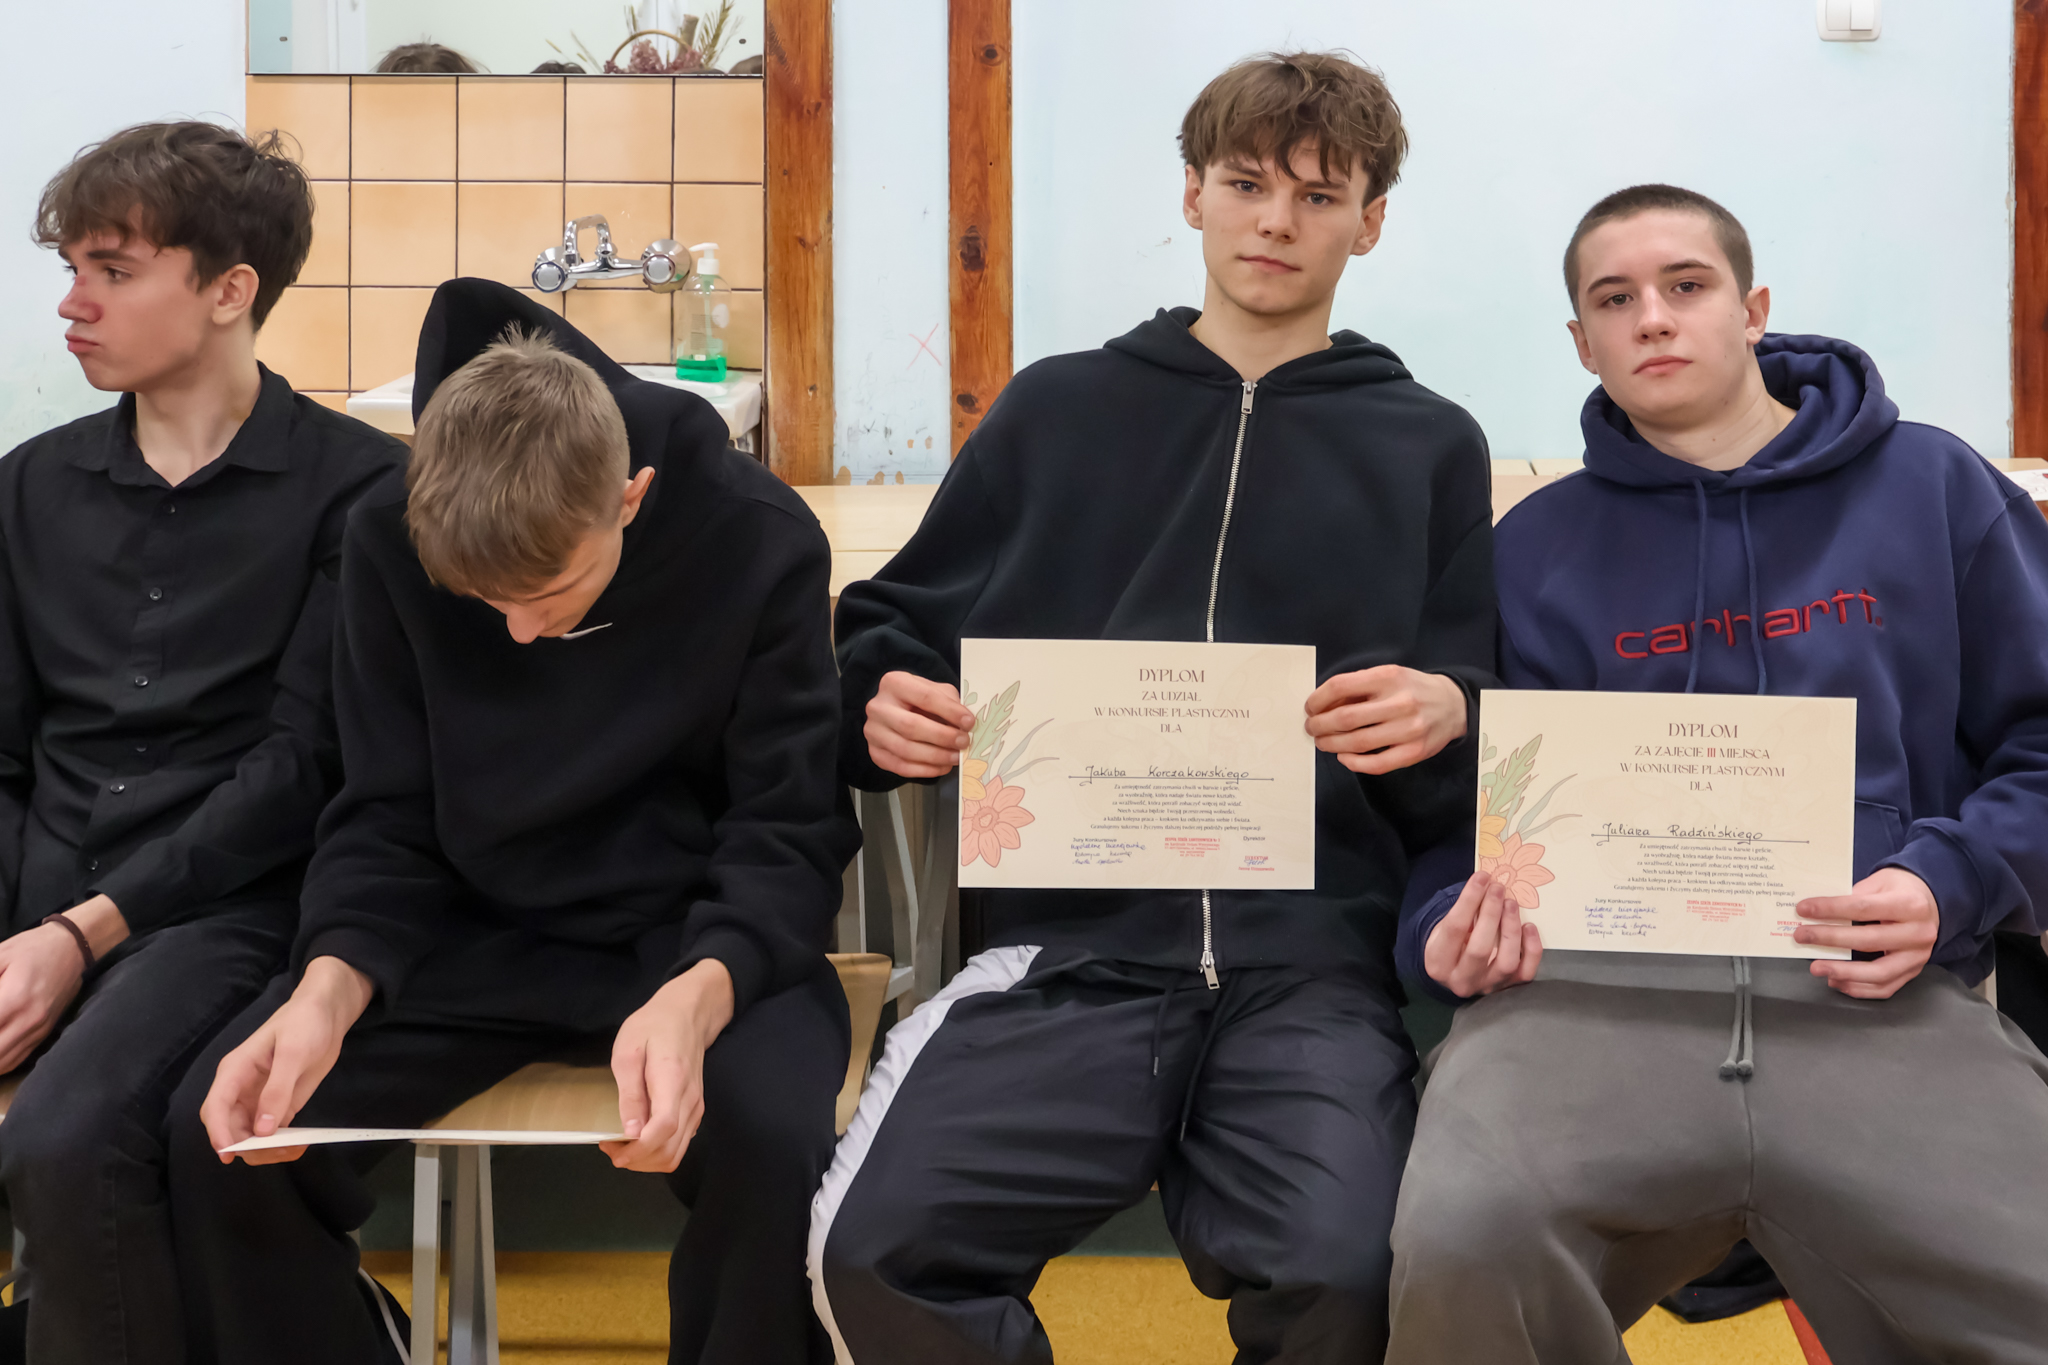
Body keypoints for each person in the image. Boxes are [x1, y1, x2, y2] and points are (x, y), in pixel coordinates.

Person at [813, 52, 1496, 1364]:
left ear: (1369, 221)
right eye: (1245, 185)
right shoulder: (1055, 410)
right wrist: (878, 703)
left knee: (1352, 1276)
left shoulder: (1428, 443)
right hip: (1062, 952)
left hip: (1305, 964)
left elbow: (1482, 704)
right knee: (875, 1251)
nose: (1275, 222)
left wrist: (1451, 710)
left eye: (1318, 195)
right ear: (1192, 196)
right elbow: (892, 624)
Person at [1386, 184, 2048, 1363]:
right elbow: (1470, 803)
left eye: (1683, 286)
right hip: (1583, 1001)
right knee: (1455, 1245)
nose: (1650, 317)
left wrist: (1948, 879)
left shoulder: (1935, 489)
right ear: (1580, 342)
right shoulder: (1531, 546)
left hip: (1876, 998)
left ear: (1750, 310)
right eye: (1612, 300)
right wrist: (1443, 922)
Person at [164, 280, 859, 1365]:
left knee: (773, 1149)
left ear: (628, 500)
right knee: (224, 1127)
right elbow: (385, 816)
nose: (522, 635)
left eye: (552, 593)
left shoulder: (756, 538)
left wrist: (700, 992)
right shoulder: (387, 536)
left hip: (687, 934)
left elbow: (788, 827)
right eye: (487, 605)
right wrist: (324, 992)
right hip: (465, 934)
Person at [0, 122, 402, 1364]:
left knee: (70, 1139)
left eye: (114, 272)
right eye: (72, 268)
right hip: (44, 893)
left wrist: (78, 935)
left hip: (225, 904)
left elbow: (301, 769)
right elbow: (6, 755)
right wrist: (25, 933)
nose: (73, 304)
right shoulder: (28, 488)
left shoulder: (359, 492)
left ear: (231, 292)